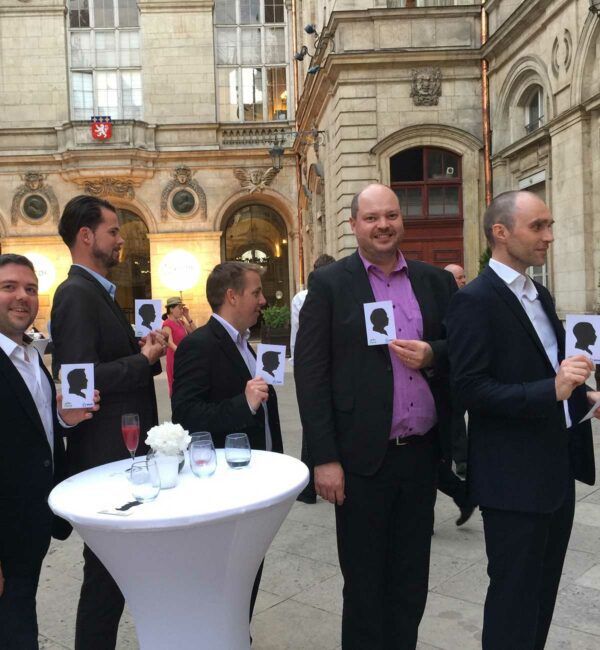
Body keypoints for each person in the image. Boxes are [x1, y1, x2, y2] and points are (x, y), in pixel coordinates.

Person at [294, 183, 457, 649]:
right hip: (362, 460)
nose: (383, 225)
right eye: (371, 218)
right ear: (354, 226)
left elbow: (460, 352)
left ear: (401, 221)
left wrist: (433, 354)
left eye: (390, 215)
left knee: (410, 584)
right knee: (364, 586)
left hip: (421, 456)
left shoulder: (434, 282)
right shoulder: (330, 284)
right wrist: (324, 458)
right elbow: (311, 374)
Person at [446, 190, 598, 650]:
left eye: (549, 225)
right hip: (511, 480)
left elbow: (551, 372)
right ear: (501, 232)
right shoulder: (475, 299)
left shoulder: (540, 292)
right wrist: (549, 390)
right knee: (513, 601)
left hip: (555, 471)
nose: (549, 236)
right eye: (538, 226)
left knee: (542, 597)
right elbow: (470, 388)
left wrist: (584, 398)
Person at [51, 195, 165, 650]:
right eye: (113, 231)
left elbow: (106, 363)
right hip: (104, 455)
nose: (120, 240)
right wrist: (141, 360)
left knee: (112, 574)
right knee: (103, 575)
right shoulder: (76, 293)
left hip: (122, 452)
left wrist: (144, 352)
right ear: (86, 236)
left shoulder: (96, 289)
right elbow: (79, 381)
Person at [172, 261, 284, 627]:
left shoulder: (245, 344)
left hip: (256, 476)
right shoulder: (198, 345)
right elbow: (187, 415)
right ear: (232, 296)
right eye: (256, 293)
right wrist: (244, 402)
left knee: (250, 570)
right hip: (227, 483)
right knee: (229, 575)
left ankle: (238, 633)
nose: (263, 300)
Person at [0, 254, 99, 650]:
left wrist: (66, 418)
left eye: (30, 288)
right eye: (9, 287)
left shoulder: (31, 357)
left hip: (30, 526)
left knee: (20, 619)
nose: (22, 297)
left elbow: (33, 430)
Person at [291, 253, 336, 505]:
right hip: (319, 366)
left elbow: (298, 338)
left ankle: (308, 488)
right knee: (315, 422)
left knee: (315, 421)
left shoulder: (302, 298)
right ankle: (308, 486)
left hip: (311, 364)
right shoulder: (303, 299)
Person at [162, 296, 196, 397]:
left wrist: (187, 316)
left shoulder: (181, 322)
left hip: (183, 357)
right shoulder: (167, 324)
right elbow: (169, 343)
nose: (181, 310)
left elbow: (195, 332)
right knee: (176, 387)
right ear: (171, 309)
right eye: (179, 308)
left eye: (182, 308)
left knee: (185, 386)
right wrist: (183, 354)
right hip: (175, 358)